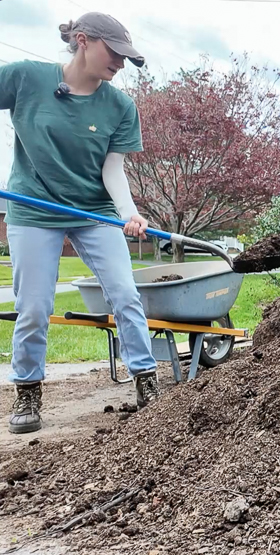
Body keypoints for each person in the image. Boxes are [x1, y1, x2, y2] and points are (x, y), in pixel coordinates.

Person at [0, 12, 161, 434]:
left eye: (128, 58)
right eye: (116, 54)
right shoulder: (24, 78)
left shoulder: (120, 106)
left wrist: (128, 213)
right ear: (84, 41)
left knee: (126, 294)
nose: (121, 65)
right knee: (34, 306)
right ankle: (28, 390)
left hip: (94, 213)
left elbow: (113, 169)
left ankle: (147, 383)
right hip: (33, 210)